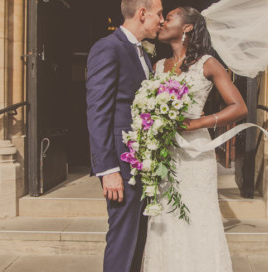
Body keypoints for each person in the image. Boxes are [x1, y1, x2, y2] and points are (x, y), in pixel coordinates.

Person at [141, 6, 248, 272]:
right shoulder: (158, 66)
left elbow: (239, 106)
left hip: (195, 153)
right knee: (165, 216)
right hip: (164, 152)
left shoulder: (208, 63)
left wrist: (199, 122)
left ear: (187, 27)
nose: (163, 23)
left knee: (197, 216)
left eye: (169, 18)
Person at [85, 0, 163, 271]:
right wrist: (107, 168)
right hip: (120, 162)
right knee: (122, 236)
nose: (162, 20)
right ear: (142, 14)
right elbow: (98, 112)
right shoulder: (108, 48)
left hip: (140, 160)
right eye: (159, 13)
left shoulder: (141, 52)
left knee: (136, 234)